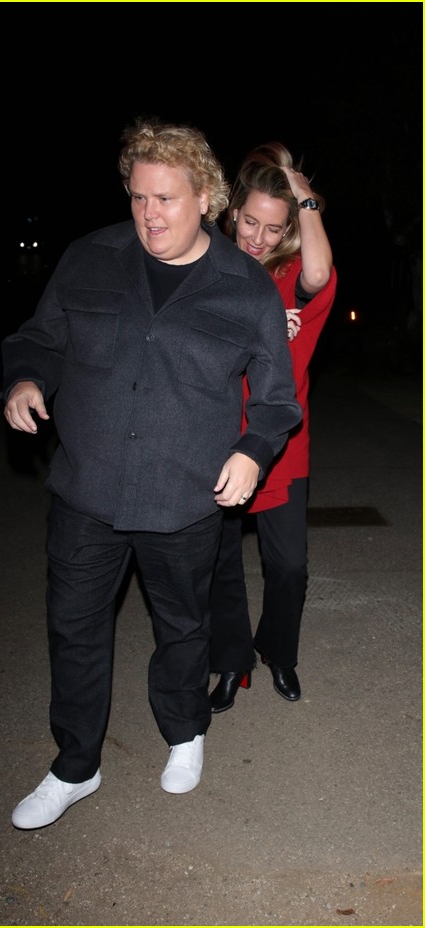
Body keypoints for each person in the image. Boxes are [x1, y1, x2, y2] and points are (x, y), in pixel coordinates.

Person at [2, 120, 302, 828]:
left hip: (184, 494)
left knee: (182, 623)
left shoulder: (244, 287)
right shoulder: (90, 258)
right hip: (87, 488)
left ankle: (184, 729)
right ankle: (75, 765)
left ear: (206, 198)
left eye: (165, 198)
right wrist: (25, 380)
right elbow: (39, 337)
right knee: (73, 628)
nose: (149, 214)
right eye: (138, 197)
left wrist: (250, 451)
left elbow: (276, 399)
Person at [209, 142, 337, 713]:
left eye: (273, 226)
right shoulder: (207, 265)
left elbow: (318, 271)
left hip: (280, 442)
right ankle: (231, 661)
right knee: (218, 563)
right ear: (233, 211)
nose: (257, 237)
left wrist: (303, 195)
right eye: (250, 221)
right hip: (212, 436)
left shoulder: (290, 275)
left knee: (289, 564)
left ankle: (277, 650)